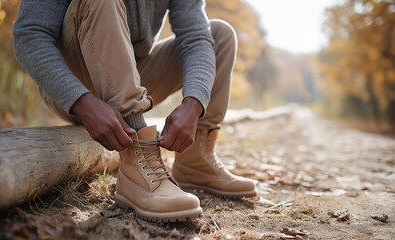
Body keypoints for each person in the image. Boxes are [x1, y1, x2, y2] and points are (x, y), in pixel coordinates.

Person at [13, 0, 256, 222]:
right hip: (74, 81)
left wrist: (194, 103)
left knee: (219, 35)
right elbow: (29, 35)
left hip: (131, 74)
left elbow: (195, 37)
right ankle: (137, 163)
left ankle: (195, 161)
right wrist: (81, 101)